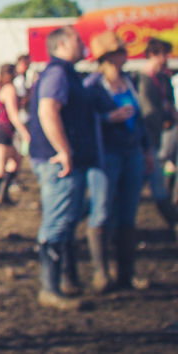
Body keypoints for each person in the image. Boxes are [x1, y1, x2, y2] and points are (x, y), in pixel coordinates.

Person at [27, 26, 98, 310]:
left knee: (66, 221)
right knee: (57, 223)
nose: (83, 43)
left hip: (61, 159)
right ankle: (50, 289)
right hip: (56, 161)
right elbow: (48, 110)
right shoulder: (57, 73)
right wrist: (64, 150)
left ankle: (67, 281)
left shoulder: (65, 73)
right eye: (78, 39)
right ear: (62, 45)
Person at [84, 31, 154, 292]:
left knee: (128, 213)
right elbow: (85, 121)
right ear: (108, 57)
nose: (126, 55)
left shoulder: (130, 81)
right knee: (101, 211)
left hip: (132, 152)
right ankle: (101, 274)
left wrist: (146, 150)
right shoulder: (92, 87)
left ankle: (126, 273)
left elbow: (140, 121)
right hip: (106, 155)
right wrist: (108, 118)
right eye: (121, 51)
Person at [135, 37, 178, 237]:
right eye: (163, 54)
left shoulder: (162, 78)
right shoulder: (141, 79)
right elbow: (148, 112)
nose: (166, 58)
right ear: (152, 54)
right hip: (145, 140)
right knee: (147, 183)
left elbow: (168, 104)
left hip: (160, 136)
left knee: (155, 180)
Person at [0, 64, 31, 207]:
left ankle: (2, 196)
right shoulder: (9, 89)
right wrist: (24, 132)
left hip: (1, 130)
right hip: (3, 131)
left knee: (14, 162)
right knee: (0, 169)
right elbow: (13, 114)